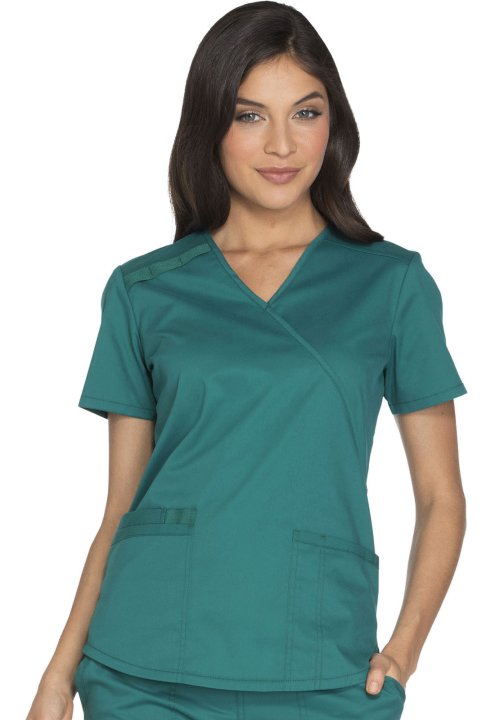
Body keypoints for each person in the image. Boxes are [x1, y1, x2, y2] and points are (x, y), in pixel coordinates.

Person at [26, 2, 468, 719]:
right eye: (249, 116)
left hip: (321, 660)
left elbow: (441, 497)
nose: (281, 144)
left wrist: (404, 651)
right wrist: (58, 673)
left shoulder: (392, 285)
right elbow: (120, 508)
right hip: (144, 666)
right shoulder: (143, 290)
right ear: (211, 126)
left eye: (305, 113)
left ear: (334, 124)